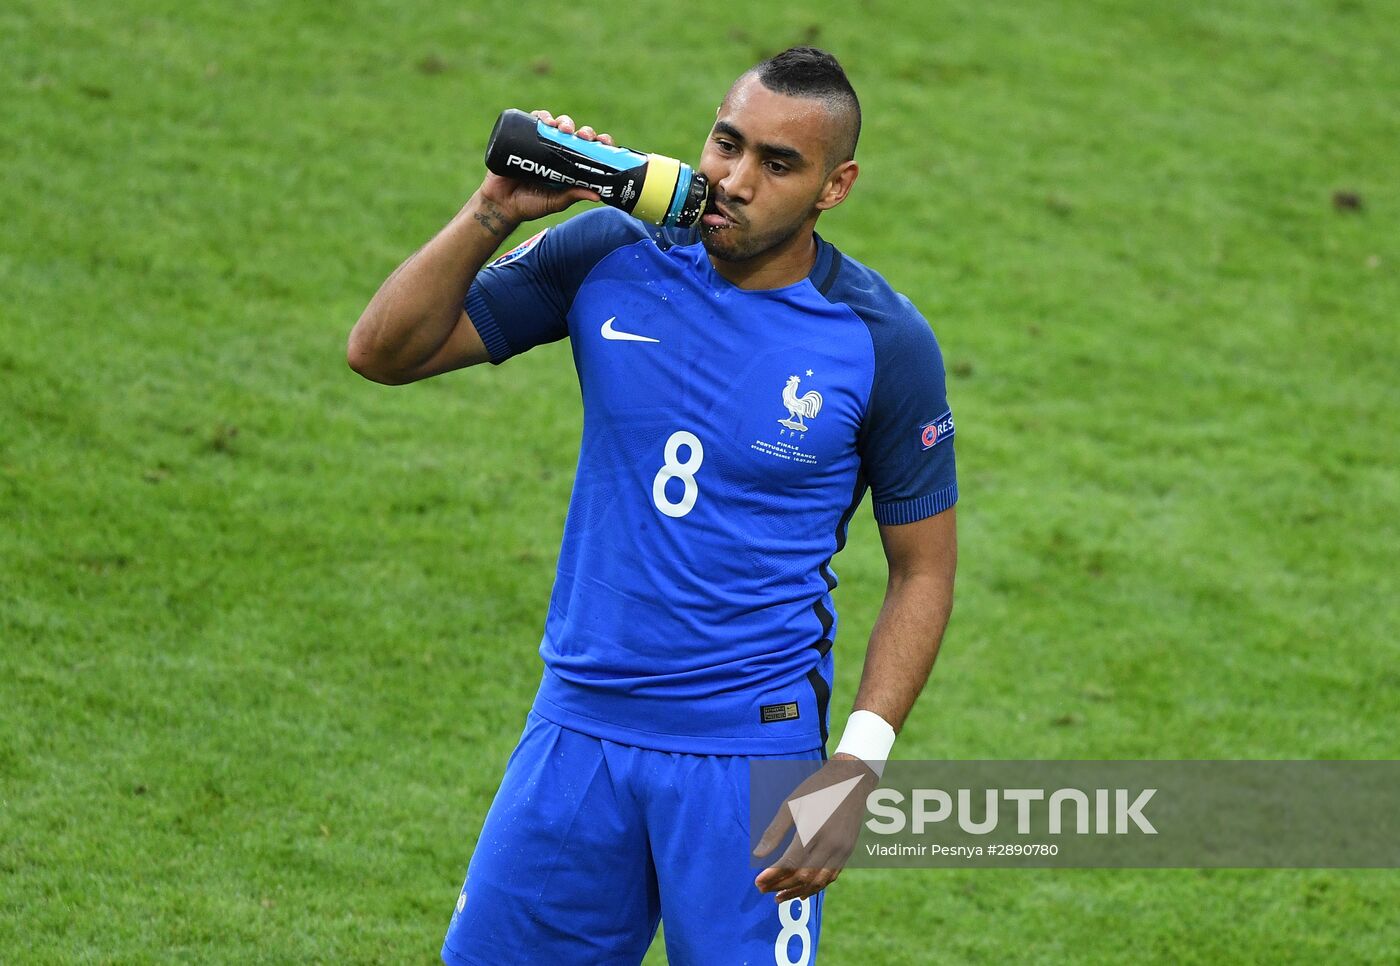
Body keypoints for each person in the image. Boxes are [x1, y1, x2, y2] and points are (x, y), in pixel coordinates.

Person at [348, 46, 957, 966]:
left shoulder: (882, 341)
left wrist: (858, 766)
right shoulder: (608, 252)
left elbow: (924, 568)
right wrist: (493, 213)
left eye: (777, 164)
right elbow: (384, 351)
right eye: (726, 144)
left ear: (837, 187)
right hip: (577, 730)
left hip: (748, 756)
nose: (735, 180)